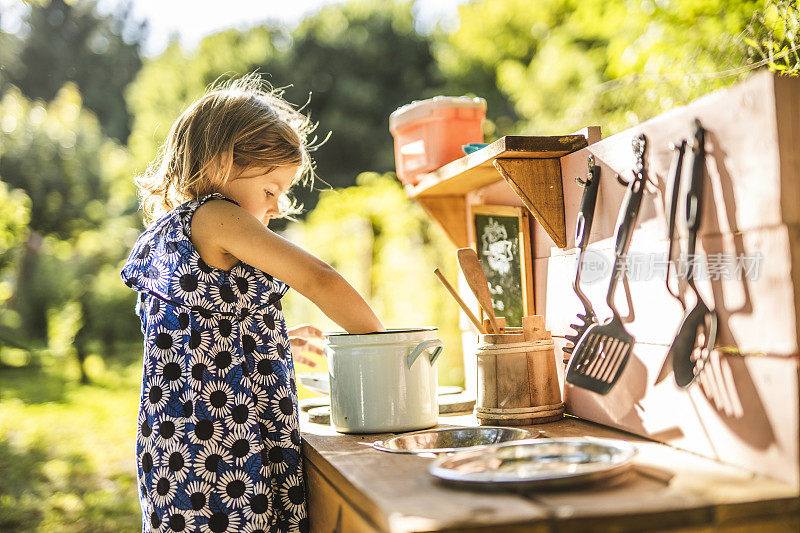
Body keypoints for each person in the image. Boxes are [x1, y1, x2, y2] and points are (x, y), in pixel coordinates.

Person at [120, 73, 385, 533]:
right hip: (219, 458)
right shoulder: (214, 215)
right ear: (222, 163)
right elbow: (318, 279)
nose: (278, 206)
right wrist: (382, 345)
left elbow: (200, 333)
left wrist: (269, 339)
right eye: (271, 189)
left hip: (195, 449)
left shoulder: (183, 230)